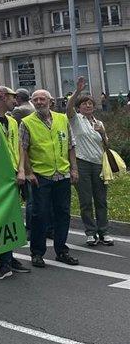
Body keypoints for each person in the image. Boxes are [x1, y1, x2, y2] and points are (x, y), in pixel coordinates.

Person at [18, 89, 79, 267]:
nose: (39, 102)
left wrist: (74, 168)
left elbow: (71, 145)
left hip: (62, 174)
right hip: (41, 175)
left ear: (50, 101)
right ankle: (37, 253)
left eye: (42, 99)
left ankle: (62, 250)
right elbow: (23, 149)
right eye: (35, 99)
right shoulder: (27, 122)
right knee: (40, 214)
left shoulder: (62, 119)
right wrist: (28, 172)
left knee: (63, 213)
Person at [0, 86, 32, 280]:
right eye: (11, 97)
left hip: (13, 174)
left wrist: (21, 170)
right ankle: (4, 261)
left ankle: (9, 258)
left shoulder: (12, 121)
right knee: (1, 218)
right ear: (1, 97)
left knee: (13, 217)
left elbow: (19, 147)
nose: (15, 101)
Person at [66, 77, 113, 246]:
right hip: (82, 163)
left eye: (90, 103)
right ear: (79, 107)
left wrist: (102, 133)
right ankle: (91, 232)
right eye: (84, 103)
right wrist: (77, 91)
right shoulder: (76, 119)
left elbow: (107, 145)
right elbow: (68, 107)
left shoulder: (99, 123)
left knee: (101, 200)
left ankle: (104, 231)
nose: (88, 106)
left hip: (99, 164)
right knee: (86, 201)